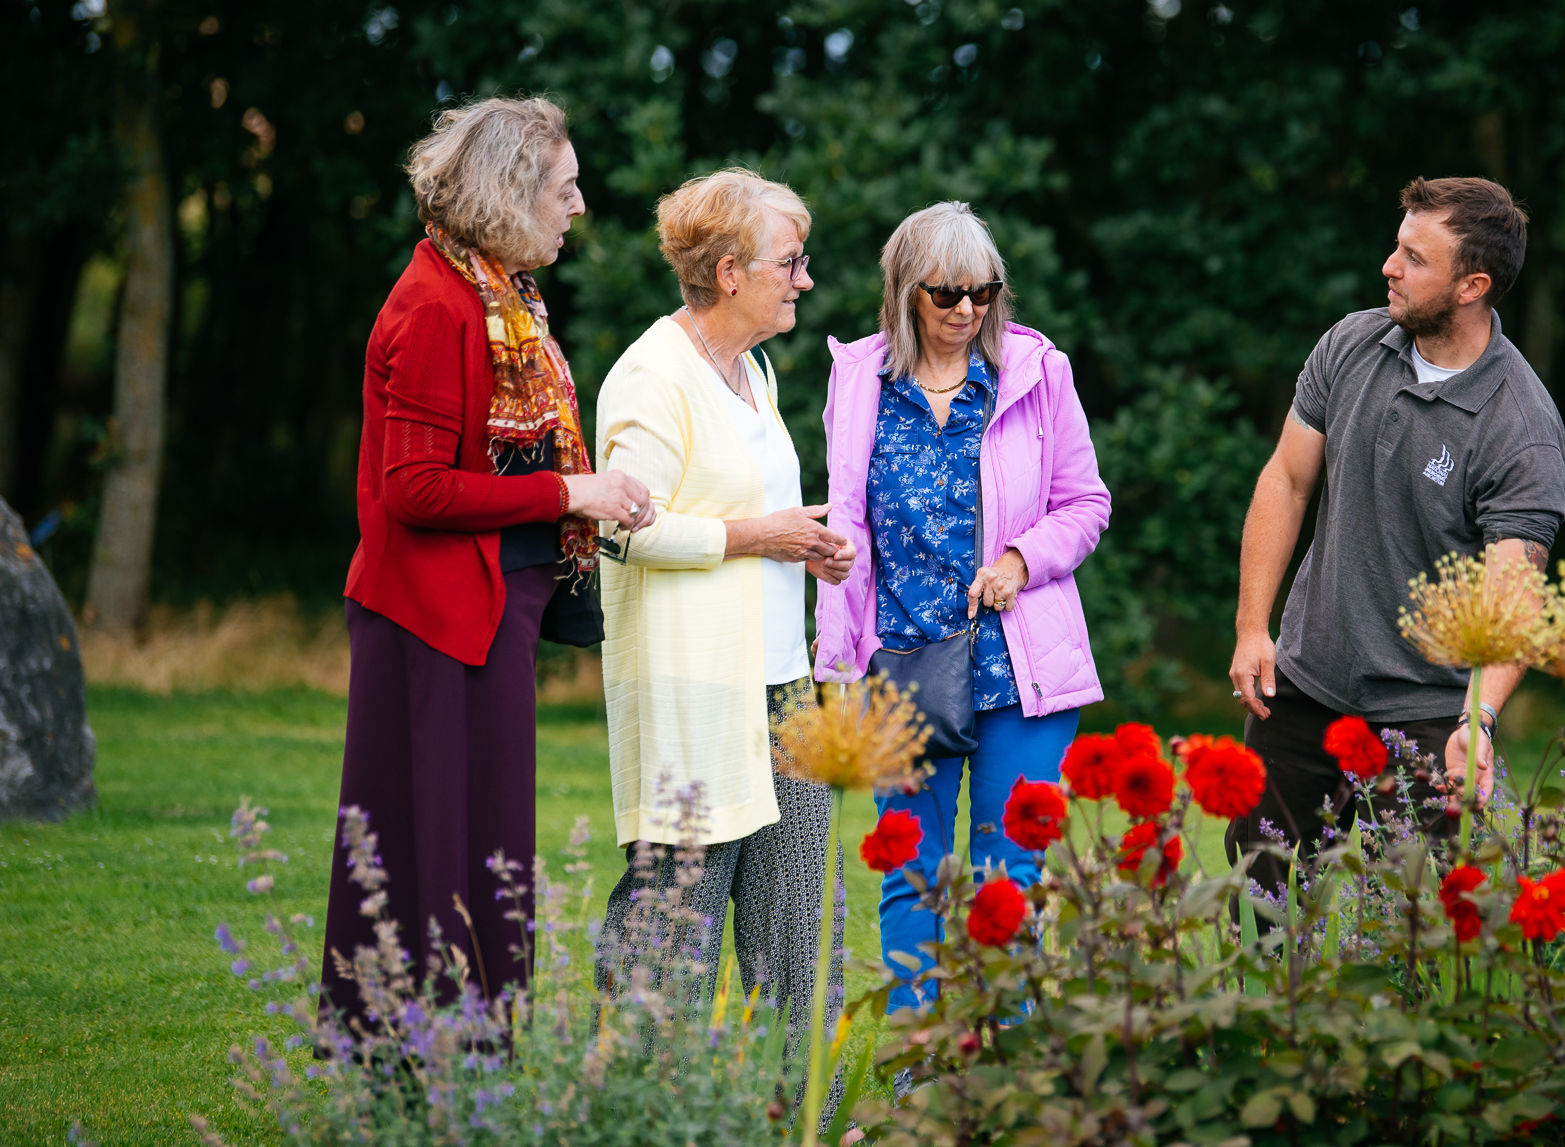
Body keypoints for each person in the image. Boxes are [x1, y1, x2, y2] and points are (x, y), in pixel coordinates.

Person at [324, 96, 655, 1026]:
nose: (580, 205)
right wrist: (568, 495)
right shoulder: (436, 306)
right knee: (438, 846)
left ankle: (468, 1060)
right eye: (566, 186)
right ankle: (429, 1059)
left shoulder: (496, 292)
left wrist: (593, 490)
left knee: (484, 844)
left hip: (483, 611)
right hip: (430, 618)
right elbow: (415, 491)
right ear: (510, 194)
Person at [1223, 177, 1565, 889]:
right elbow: (1287, 481)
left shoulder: (1520, 428)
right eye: (1397, 246)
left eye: (1414, 256)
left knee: (1415, 939)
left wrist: (1482, 717)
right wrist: (1254, 625)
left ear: (1472, 285)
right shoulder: (1353, 343)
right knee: (1259, 914)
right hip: (1304, 688)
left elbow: (1513, 598)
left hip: (1430, 716)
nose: (1389, 264)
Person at [812, 201, 1111, 1015]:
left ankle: (1006, 1071)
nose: (968, 311)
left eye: (984, 292)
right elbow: (846, 529)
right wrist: (836, 668)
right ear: (906, 291)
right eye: (947, 294)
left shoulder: (1036, 372)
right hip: (902, 669)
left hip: (1018, 671)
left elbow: (1085, 503)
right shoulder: (860, 380)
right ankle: (922, 1075)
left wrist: (1022, 558)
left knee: (1010, 874)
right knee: (912, 872)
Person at [592, 168, 853, 1056]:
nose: (805, 279)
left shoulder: (755, 370)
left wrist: (807, 545)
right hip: (694, 693)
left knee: (800, 918)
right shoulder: (652, 374)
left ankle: (803, 1109)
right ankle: (636, 1106)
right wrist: (757, 537)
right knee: (678, 918)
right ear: (732, 270)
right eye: (793, 261)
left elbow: (755, 516)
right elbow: (625, 532)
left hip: (783, 685)